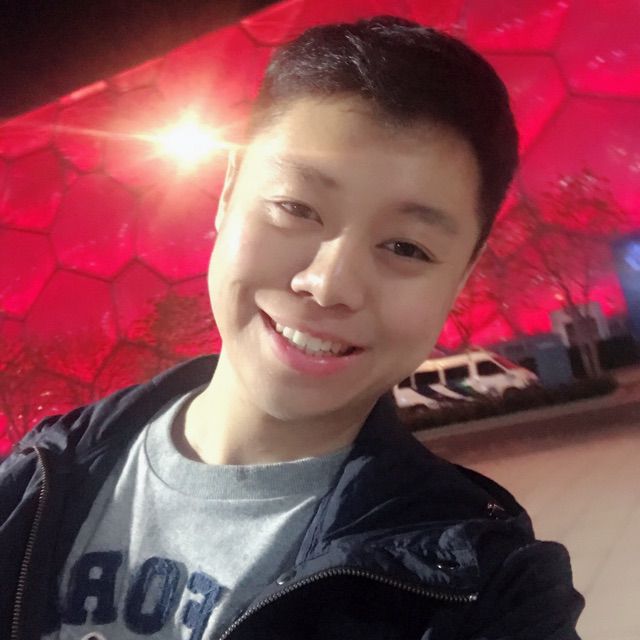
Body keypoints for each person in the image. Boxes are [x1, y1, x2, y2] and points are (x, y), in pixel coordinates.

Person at [0, 16, 584, 640]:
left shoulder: (484, 588)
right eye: (296, 208)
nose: (328, 285)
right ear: (228, 193)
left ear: (462, 275)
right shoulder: (33, 481)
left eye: (406, 248)